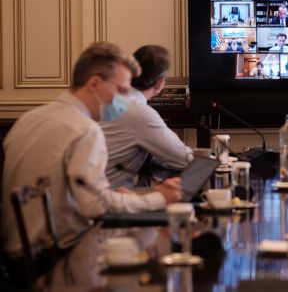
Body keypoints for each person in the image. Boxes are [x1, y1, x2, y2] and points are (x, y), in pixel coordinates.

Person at [1, 42, 183, 257]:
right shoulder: (85, 130)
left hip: (16, 255)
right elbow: (97, 205)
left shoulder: (28, 119)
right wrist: (159, 198)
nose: (124, 102)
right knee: (160, 249)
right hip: (60, 256)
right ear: (94, 83)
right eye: (121, 91)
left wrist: (128, 199)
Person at [101, 45, 195, 188]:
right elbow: (185, 160)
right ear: (160, 83)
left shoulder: (107, 99)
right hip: (112, 194)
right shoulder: (141, 114)